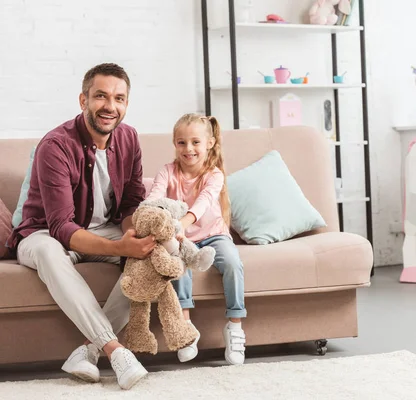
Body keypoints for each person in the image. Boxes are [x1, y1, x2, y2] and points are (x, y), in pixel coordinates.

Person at [7, 63, 154, 390]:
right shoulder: (55, 146)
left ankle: (89, 351)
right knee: (47, 250)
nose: (110, 106)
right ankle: (115, 350)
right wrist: (119, 249)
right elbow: (61, 227)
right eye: (101, 96)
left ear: (126, 104)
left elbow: (131, 202)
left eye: (119, 98)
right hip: (43, 234)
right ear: (83, 100)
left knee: (159, 253)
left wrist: (132, 235)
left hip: (103, 232)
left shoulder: (129, 138)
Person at [145, 113, 247, 365]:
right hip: (181, 239)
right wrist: (154, 219)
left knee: (233, 264)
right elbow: (154, 200)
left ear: (209, 143)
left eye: (195, 142)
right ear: (174, 144)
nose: (188, 149)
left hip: (214, 235)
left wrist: (181, 223)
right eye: (181, 143)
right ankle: (185, 327)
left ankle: (235, 326)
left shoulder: (214, 175)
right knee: (178, 268)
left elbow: (202, 204)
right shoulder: (167, 172)